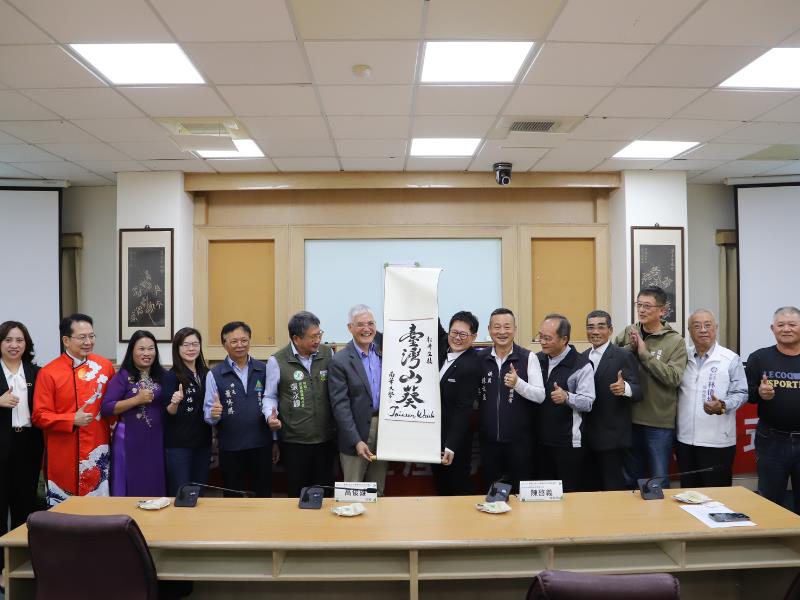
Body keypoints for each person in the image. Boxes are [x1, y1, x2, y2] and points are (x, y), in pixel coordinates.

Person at [33, 314, 115, 505]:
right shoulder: (49, 372)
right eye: (82, 337)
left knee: (99, 508)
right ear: (66, 340)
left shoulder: (105, 367)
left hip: (97, 449)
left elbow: (112, 408)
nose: (88, 342)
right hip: (63, 452)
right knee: (63, 510)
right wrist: (71, 419)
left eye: (91, 336)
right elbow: (39, 416)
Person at [616, 286, 687, 488]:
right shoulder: (629, 332)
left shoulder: (675, 341)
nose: (641, 310)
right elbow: (610, 359)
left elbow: (673, 378)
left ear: (662, 310)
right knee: (630, 478)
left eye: (647, 306)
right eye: (639, 305)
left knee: (658, 479)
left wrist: (645, 355)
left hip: (659, 422)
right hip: (629, 418)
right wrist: (630, 349)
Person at [265, 311, 336, 497]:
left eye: (319, 334)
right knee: (298, 494)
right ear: (296, 339)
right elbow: (270, 395)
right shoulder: (277, 361)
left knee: (325, 493)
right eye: (313, 337)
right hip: (295, 441)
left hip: (325, 439)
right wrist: (269, 416)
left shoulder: (328, 354)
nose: (318, 340)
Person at [677, 309, 747, 488]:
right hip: (685, 440)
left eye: (707, 325)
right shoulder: (682, 358)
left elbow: (741, 393)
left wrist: (722, 405)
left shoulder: (730, 359)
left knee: (717, 496)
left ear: (716, 328)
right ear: (689, 331)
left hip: (717, 442)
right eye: (697, 326)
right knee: (688, 494)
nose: (703, 330)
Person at [478, 308, 545, 492]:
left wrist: (518, 384)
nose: (502, 332)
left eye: (507, 327)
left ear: (515, 329)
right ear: (489, 329)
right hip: (489, 442)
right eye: (497, 327)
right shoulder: (480, 358)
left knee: (520, 493)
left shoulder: (528, 357)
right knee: (494, 494)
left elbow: (540, 396)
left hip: (520, 443)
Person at [203, 321, 273, 497]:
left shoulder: (264, 369)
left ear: (250, 341)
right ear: (224, 345)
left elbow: (272, 403)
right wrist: (213, 414)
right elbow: (209, 414)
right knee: (233, 496)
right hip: (231, 446)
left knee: (263, 495)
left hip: (261, 444)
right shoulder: (214, 374)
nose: (240, 345)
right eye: (234, 341)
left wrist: (275, 440)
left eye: (244, 340)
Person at [745, 306, 800, 511]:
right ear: (772, 328)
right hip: (772, 441)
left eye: (792, 324)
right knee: (770, 503)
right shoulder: (759, 358)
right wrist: (760, 393)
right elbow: (747, 395)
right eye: (781, 325)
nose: (786, 329)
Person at [329, 305, 388, 495]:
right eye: (360, 324)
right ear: (350, 327)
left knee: (377, 490)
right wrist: (356, 440)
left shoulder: (385, 353)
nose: (367, 329)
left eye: (371, 324)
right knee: (352, 490)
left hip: (383, 431)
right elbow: (340, 406)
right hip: (355, 433)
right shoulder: (340, 360)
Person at [581, 310, 642, 491]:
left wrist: (625, 389)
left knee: (613, 488)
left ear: (610, 330)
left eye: (601, 327)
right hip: (586, 436)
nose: (595, 332)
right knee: (589, 488)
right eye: (590, 327)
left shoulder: (623, 355)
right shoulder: (582, 357)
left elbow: (638, 391)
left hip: (612, 437)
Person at [101, 330, 166, 497]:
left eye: (151, 348)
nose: (147, 353)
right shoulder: (123, 376)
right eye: (141, 349)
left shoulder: (163, 375)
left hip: (156, 439)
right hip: (129, 438)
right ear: (132, 351)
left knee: (154, 480)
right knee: (132, 483)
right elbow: (106, 408)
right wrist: (136, 400)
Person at [536, 314, 595, 492]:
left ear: (564, 339)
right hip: (539, 441)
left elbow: (588, 402)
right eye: (540, 336)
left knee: (569, 494)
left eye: (548, 338)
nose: (542, 342)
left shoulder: (581, 364)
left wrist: (567, 397)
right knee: (543, 495)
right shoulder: (537, 360)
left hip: (568, 443)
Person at [0, 321, 44, 536]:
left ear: (26, 344)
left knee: (25, 504)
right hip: (1, 443)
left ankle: (20, 553)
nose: (14, 345)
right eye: (8, 340)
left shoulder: (37, 372)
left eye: (19, 340)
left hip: (28, 443)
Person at [433, 311, 481, 496]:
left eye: (463, 334)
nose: (457, 338)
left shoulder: (471, 365)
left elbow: (464, 409)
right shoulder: (444, 346)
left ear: (473, 337)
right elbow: (435, 325)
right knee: (441, 487)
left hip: (455, 441)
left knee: (457, 488)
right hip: (434, 436)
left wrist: (451, 445)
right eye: (454, 332)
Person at [162, 327, 211, 496]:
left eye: (195, 344)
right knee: (181, 492)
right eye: (186, 345)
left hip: (203, 442)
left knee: (199, 492)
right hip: (179, 445)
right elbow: (168, 411)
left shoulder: (207, 374)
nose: (191, 349)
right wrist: (174, 402)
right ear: (177, 348)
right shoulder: (171, 376)